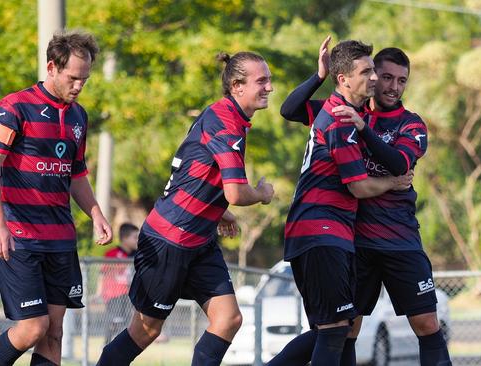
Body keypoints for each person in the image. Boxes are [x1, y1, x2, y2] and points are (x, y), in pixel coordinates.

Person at [278, 36, 451, 366]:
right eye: (384, 76)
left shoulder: (411, 123)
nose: (391, 86)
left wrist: (365, 129)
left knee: (427, 323)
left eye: (401, 80)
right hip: (356, 244)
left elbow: (399, 163)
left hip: (401, 240)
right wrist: (320, 74)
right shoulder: (346, 113)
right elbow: (290, 109)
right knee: (342, 329)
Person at [96, 51, 276, 366]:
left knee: (228, 319)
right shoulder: (227, 124)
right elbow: (235, 191)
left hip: (199, 239)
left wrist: (217, 211)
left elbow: (197, 172)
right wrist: (261, 193)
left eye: (268, 80)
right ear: (236, 86)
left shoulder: (225, 116)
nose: (269, 87)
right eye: (262, 80)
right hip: (169, 240)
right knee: (147, 330)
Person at [0, 30, 113, 366]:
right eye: (73, 78)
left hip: (61, 240)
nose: (79, 86)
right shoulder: (15, 107)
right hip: (20, 237)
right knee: (32, 328)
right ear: (52, 67)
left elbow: (77, 173)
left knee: (54, 333)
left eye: (85, 79)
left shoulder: (78, 117)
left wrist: (95, 213)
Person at [99, 223, 139, 344]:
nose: (138, 240)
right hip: (114, 295)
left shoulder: (137, 255)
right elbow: (103, 274)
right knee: (114, 321)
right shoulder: (112, 254)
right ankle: (107, 344)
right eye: (135, 237)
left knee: (128, 323)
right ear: (125, 238)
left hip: (129, 295)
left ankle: (122, 346)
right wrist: (99, 293)